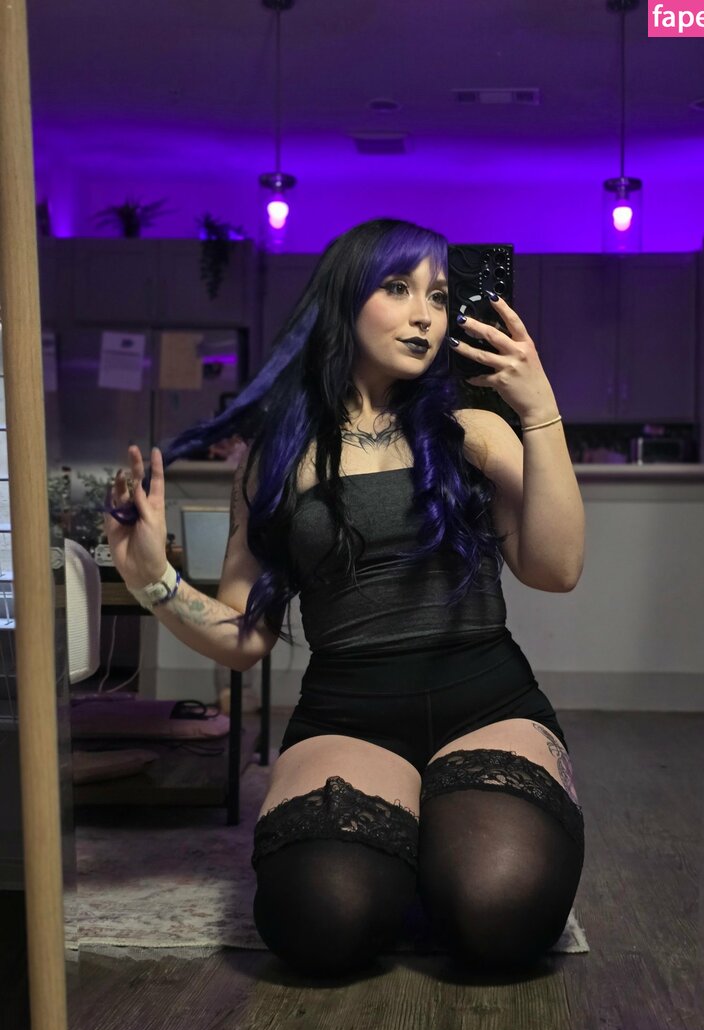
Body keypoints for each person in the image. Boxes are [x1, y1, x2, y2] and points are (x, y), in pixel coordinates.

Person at [102, 218, 586, 979]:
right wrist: (152, 581)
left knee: (500, 912)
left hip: (488, 705)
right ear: (344, 299)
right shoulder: (275, 457)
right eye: (398, 289)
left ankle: (435, 840)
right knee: (319, 922)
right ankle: (409, 841)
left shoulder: (474, 429)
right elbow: (245, 637)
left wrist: (537, 409)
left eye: (439, 296)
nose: (425, 315)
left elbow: (556, 569)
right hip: (348, 717)